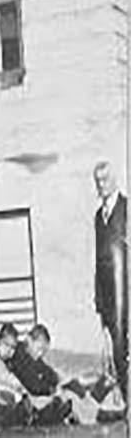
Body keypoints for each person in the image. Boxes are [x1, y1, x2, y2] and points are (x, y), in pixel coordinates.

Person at [93, 161, 127, 400]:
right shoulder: (99, 217)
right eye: (97, 181)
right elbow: (98, 261)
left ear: (115, 180)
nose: (101, 185)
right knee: (118, 353)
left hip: (127, 294)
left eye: (105, 179)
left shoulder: (127, 208)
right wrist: (99, 300)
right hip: (109, 300)